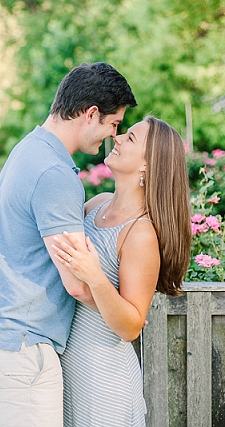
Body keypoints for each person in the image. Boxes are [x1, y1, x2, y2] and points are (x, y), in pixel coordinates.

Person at [0, 62, 137, 427]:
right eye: (113, 124)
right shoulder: (55, 174)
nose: (112, 136)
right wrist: (121, 311)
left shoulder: (30, 149)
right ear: (91, 114)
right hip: (18, 349)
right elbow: (76, 282)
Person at [50, 115, 191, 427]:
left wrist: (95, 276)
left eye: (130, 139)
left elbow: (130, 327)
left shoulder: (140, 234)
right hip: (68, 370)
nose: (117, 138)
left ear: (147, 165)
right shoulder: (95, 205)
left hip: (104, 382)